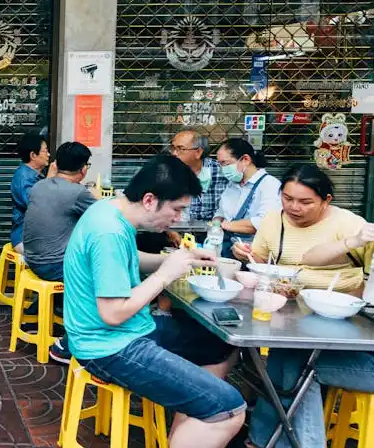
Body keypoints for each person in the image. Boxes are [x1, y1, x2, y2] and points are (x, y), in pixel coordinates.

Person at [65, 155, 245, 448]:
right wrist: (164, 275)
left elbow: (131, 259)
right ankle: (207, 415)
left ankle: (194, 419)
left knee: (218, 345)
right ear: (150, 200)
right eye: (176, 210)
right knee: (229, 410)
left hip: (125, 332)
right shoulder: (108, 231)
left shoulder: (108, 212)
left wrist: (174, 259)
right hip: (109, 346)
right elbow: (112, 313)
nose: (178, 219)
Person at [248, 175, 374, 448]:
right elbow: (311, 258)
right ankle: (262, 440)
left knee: (303, 369)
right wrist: (354, 240)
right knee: (284, 351)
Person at [21, 141, 98, 364]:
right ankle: (67, 344)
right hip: (54, 265)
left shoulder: (40, 185)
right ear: (84, 169)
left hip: (32, 259)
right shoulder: (78, 193)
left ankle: (34, 316)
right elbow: (106, 217)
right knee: (97, 279)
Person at [232, 164, 366, 291]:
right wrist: (245, 254)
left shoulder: (348, 223)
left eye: (305, 202)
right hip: (284, 296)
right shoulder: (272, 220)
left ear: (326, 201)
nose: (294, 207)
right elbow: (262, 264)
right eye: (287, 198)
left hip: (339, 301)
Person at [213, 138, 281, 258]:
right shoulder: (232, 185)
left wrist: (223, 225)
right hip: (229, 249)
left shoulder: (269, 185)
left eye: (225, 163)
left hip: (253, 254)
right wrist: (216, 222)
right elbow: (221, 213)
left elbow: (264, 223)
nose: (222, 168)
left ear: (245, 159)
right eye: (220, 164)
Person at [169, 129, 227, 221]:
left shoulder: (221, 170)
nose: (174, 153)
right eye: (173, 148)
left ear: (198, 152)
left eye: (180, 149)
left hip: (216, 230)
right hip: (178, 229)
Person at [10, 131, 50, 254]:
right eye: (45, 151)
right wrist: (50, 180)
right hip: (25, 237)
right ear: (33, 155)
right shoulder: (24, 178)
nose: (48, 154)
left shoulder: (34, 174)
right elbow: (37, 206)